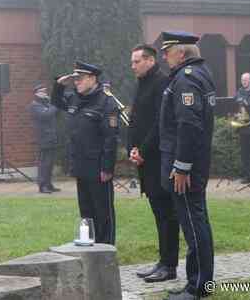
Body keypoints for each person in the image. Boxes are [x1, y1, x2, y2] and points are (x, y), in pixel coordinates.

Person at [159, 31, 215, 300]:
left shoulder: (186, 78)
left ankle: (199, 286)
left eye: (167, 51)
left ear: (181, 53)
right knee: (195, 222)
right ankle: (197, 281)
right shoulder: (197, 74)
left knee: (194, 225)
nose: (164, 56)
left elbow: (189, 125)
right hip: (192, 162)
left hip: (187, 167)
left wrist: (181, 167)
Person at [128, 44, 179, 283]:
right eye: (132, 62)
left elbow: (161, 122)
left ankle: (170, 265)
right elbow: (136, 118)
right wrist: (131, 148)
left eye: (136, 62)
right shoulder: (143, 83)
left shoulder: (161, 82)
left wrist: (143, 150)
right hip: (145, 159)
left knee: (167, 214)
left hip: (158, 158)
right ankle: (162, 261)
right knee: (159, 213)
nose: (133, 66)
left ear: (149, 60)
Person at [52, 61, 119, 244]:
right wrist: (58, 85)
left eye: (80, 78)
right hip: (81, 164)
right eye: (75, 79)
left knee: (103, 212)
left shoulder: (106, 102)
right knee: (86, 212)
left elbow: (110, 137)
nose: (76, 82)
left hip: (98, 168)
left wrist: (107, 168)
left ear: (92, 78)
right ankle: (90, 247)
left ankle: (106, 249)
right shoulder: (75, 98)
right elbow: (57, 102)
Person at [29, 83, 61, 194]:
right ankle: (42, 186)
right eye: (42, 92)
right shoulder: (35, 105)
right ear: (36, 94)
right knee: (44, 163)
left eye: (45, 91)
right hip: (43, 138)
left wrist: (53, 105)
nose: (45, 94)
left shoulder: (46, 104)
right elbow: (46, 115)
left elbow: (54, 114)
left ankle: (49, 184)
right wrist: (54, 105)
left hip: (51, 137)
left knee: (50, 163)